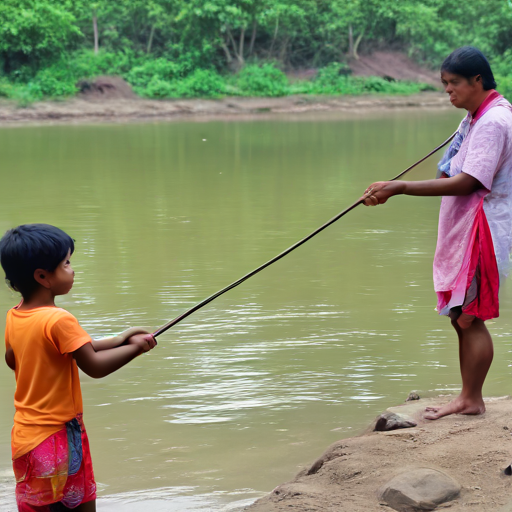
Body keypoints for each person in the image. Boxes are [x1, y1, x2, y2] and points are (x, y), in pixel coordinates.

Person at [363, 46, 512, 420]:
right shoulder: (475, 118)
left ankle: (472, 398)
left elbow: (467, 182)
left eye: (454, 84)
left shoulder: (493, 121)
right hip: (465, 228)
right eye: (445, 85)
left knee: (468, 316)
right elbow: (448, 170)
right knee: (459, 312)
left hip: (482, 228)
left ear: (478, 80)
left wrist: (399, 188)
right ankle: (467, 396)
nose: (448, 91)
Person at [1, 224, 157, 511]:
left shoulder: (16, 315)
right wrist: (136, 348)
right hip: (59, 435)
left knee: (41, 506)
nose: (73, 270)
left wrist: (120, 338)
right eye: (67, 263)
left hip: (26, 436)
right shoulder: (59, 319)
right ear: (43, 277)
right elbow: (93, 366)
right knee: (79, 505)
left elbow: (15, 358)